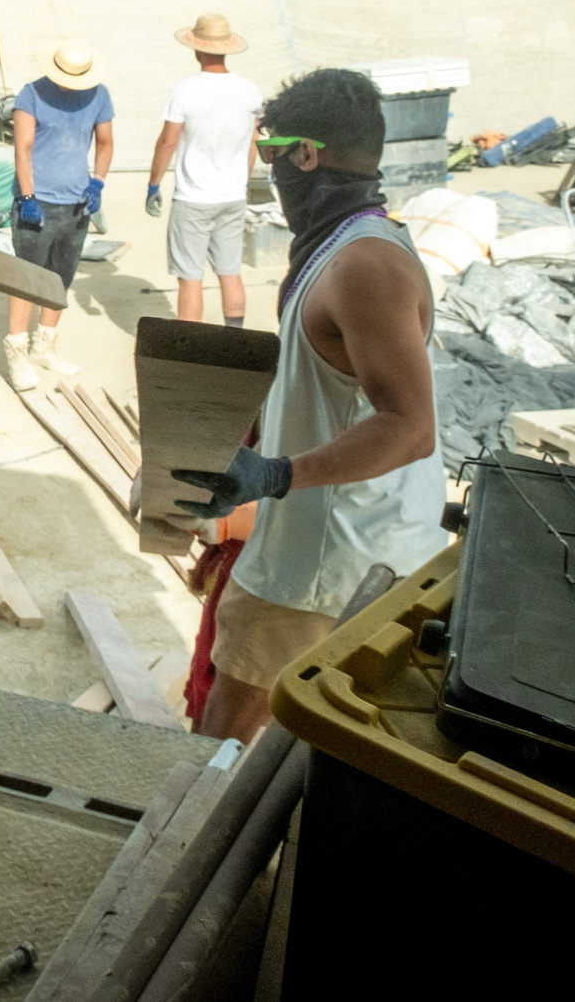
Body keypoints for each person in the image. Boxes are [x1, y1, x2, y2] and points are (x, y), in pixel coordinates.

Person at [172, 69, 444, 743]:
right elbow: (316, 383)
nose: (264, 168)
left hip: (332, 561)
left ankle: (191, 846)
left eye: (270, 152)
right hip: (326, 548)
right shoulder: (335, 250)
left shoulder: (366, 266)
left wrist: (274, 476)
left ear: (306, 155)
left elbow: (410, 428)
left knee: (224, 741)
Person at [3, 41, 114, 389]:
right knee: (26, 278)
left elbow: (106, 142)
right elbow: (22, 148)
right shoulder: (31, 94)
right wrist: (28, 196)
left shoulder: (99, 95)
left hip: (76, 202)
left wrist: (97, 182)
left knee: (59, 277)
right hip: (37, 202)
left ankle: (44, 346)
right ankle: (17, 353)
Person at [147, 12, 261, 328]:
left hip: (194, 197)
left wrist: (153, 184)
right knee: (230, 272)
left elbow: (168, 142)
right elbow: (253, 141)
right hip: (233, 195)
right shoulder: (250, 91)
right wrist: (244, 179)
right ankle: (235, 339)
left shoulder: (185, 90)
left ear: (196, 49)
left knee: (190, 277)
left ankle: (191, 346)